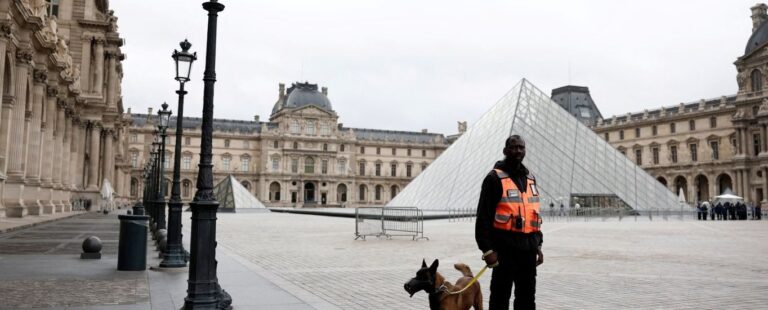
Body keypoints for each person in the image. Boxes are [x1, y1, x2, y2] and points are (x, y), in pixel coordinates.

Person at [476, 135, 543, 310]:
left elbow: (533, 214)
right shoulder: (494, 178)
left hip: (528, 249)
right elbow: (483, 217)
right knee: (500, 296)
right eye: (514, 147)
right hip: (504, 249)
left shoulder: (530, 178)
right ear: (505, 151)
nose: (518, 151)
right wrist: (487, 250)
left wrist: (538, 244)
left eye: (521, 147)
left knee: (527, 297)